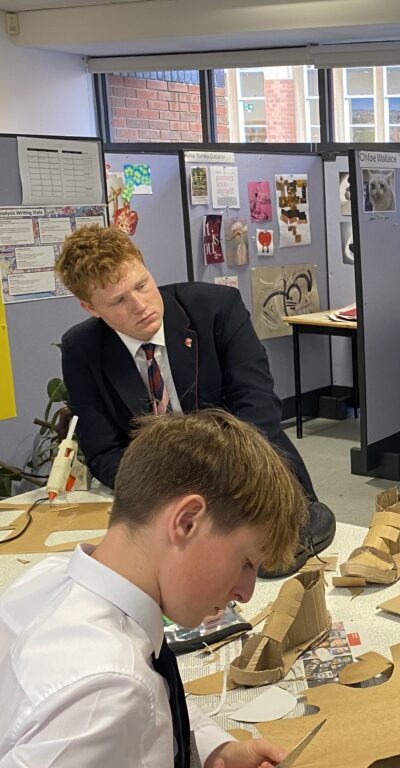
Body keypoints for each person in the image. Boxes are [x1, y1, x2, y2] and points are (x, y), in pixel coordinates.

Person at [0, 410, 308, 767]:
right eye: (246, 563)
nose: (246, 593)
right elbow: (127, 699)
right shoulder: (114, 692)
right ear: (187, 522)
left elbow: (154, 695)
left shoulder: (48, 579)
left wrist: (211, 751)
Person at [55, 225, 334, 577]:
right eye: (118, 301)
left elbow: (258, 407)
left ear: (145, 266)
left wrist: (215, 485)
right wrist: (170, 491)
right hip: (166, 497)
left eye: (141, 285)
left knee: (264, 565)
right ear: (90, 307)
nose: (140, 306)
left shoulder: (214, 308)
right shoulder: (82, 350)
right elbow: (104, 451)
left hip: (249, 470)